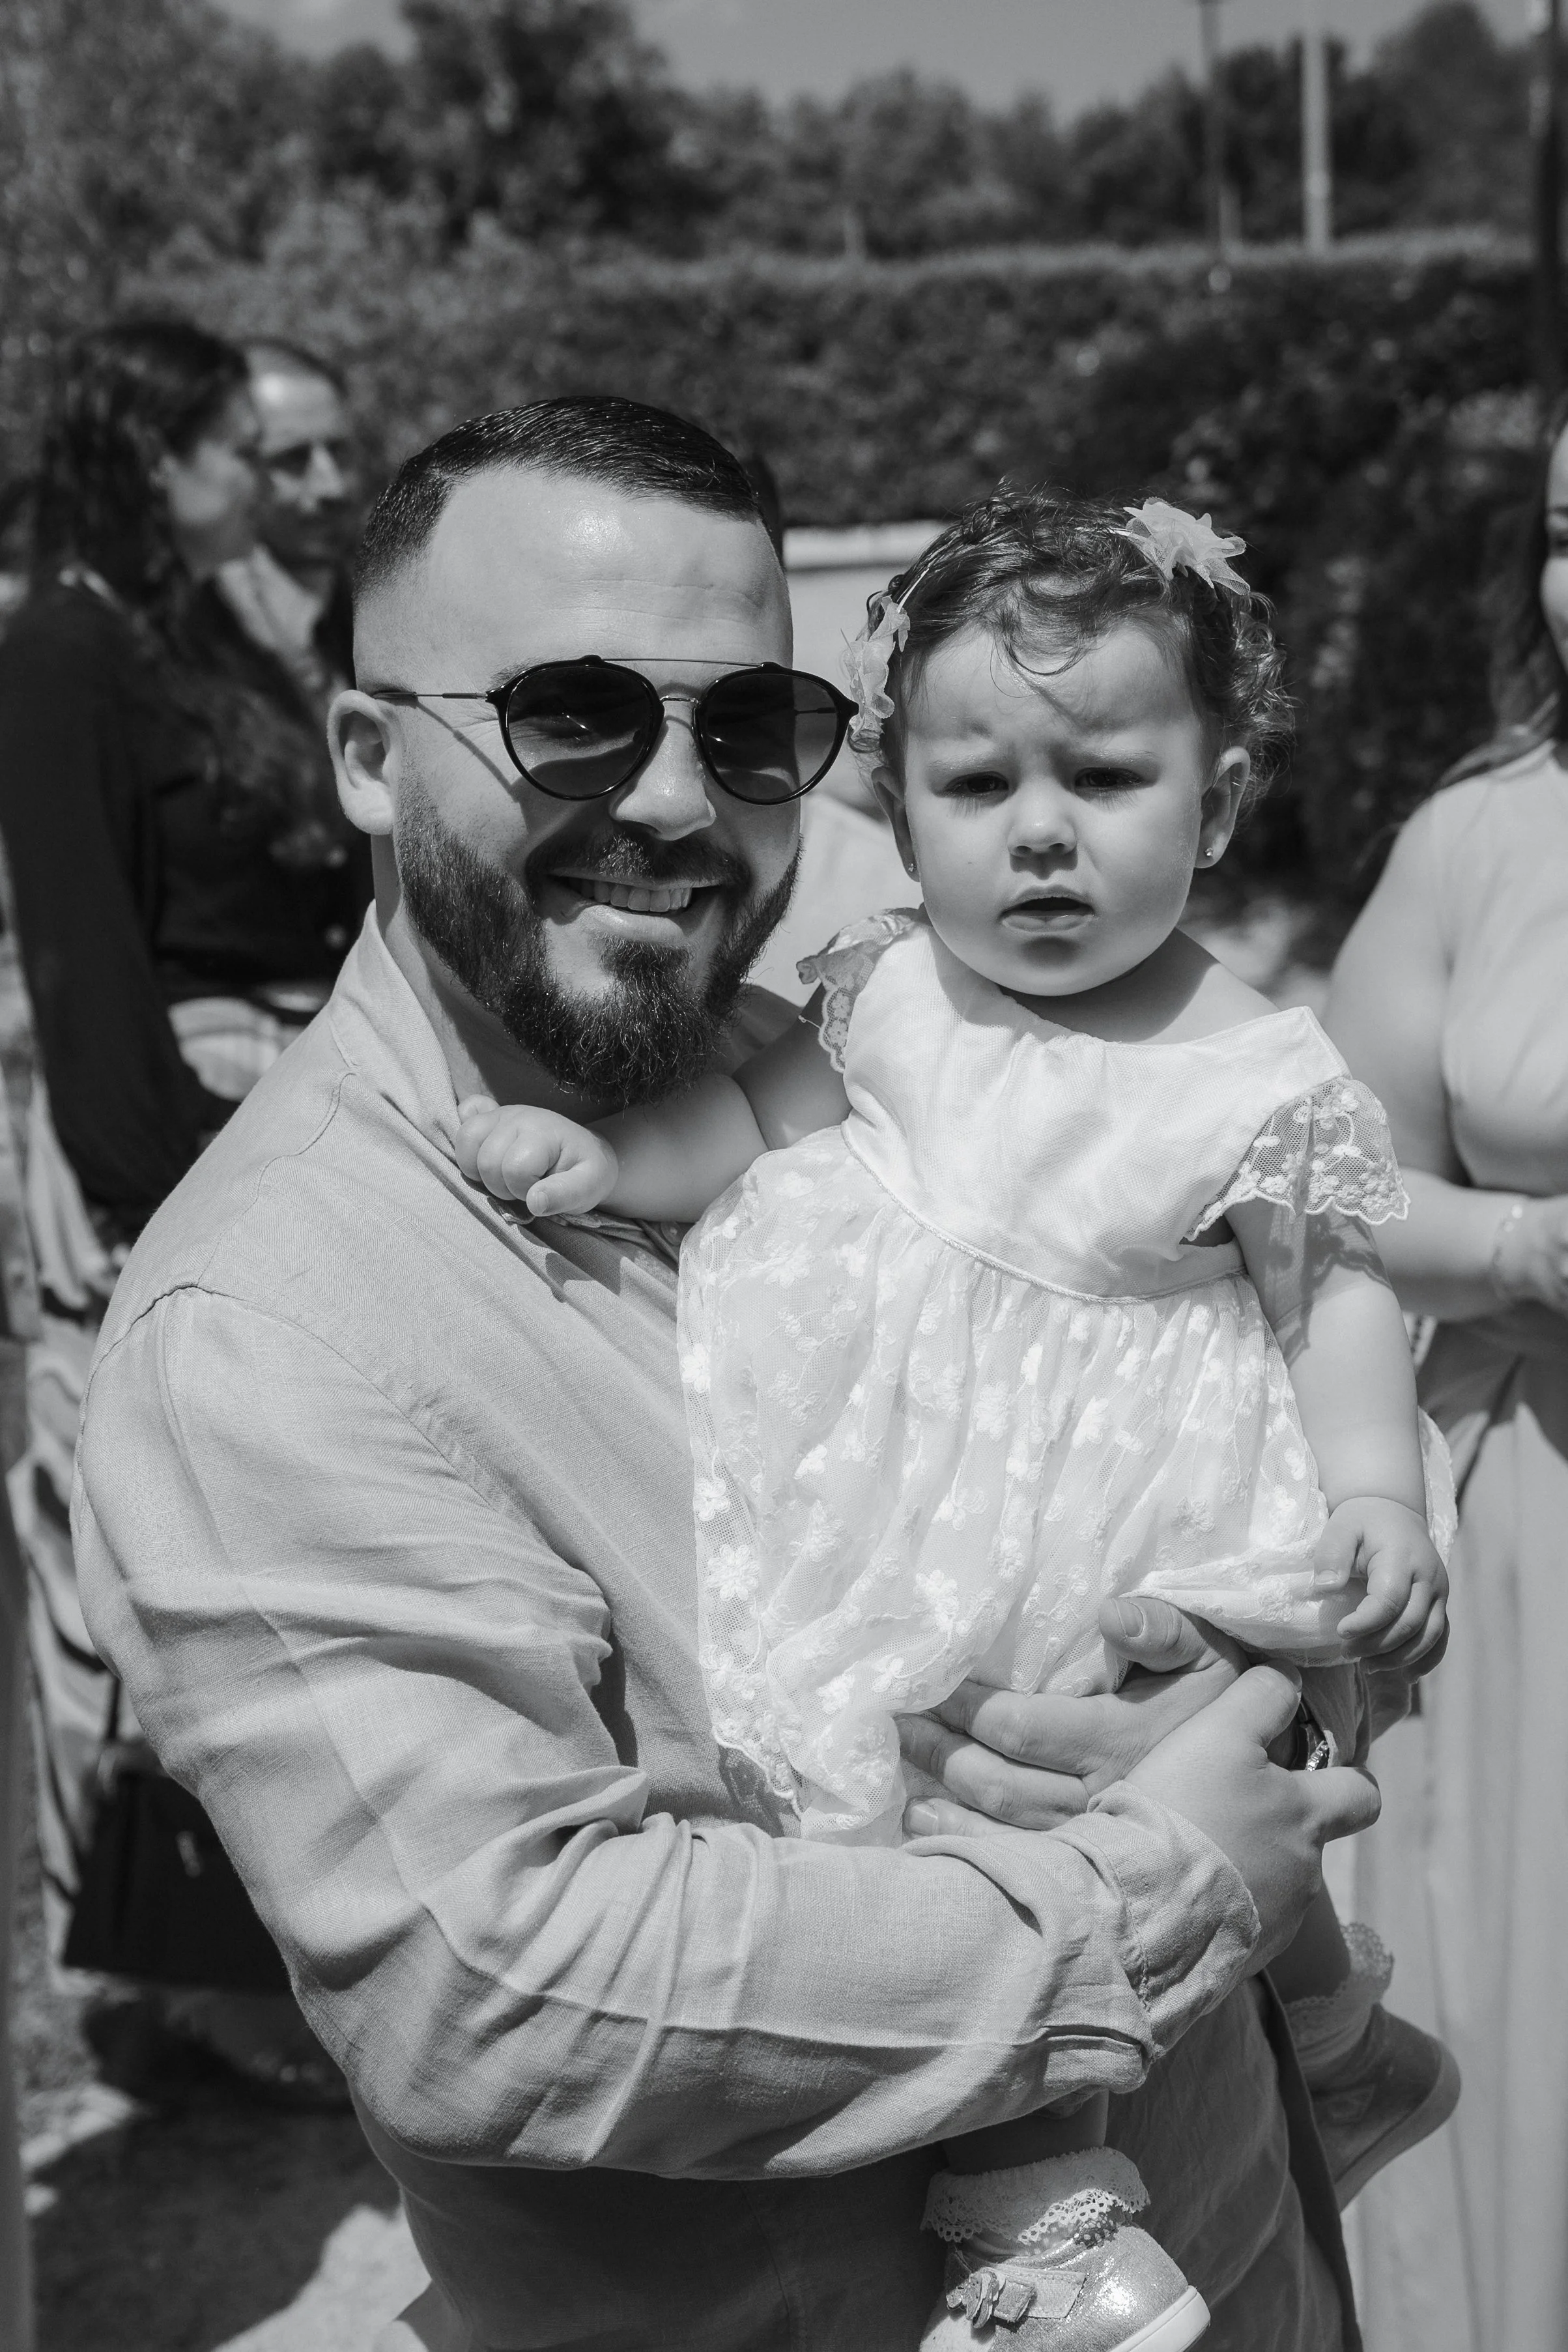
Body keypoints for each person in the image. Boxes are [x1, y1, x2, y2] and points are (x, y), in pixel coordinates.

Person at [75, 396, 1383, 2352]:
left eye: (750, 726)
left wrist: (1254, 1689)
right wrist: (1158, 1873)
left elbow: (1269, 1435)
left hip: (1237, 2223)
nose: (682, 801)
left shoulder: (877, 1063)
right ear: (364, 753)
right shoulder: (268, 1325)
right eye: (571, 716)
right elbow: (502, 1986)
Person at [455, 486, 1457, 2349]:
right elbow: (748, 1125)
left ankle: (1043, 2223)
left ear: (1216, 798)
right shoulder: (888, 992)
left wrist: (1377, 1496)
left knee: (1082, 1803)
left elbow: (1328, 1297)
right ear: (897, 808)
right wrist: (606, 1157)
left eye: (1104, 777)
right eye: (977, 785)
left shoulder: (1252, 1064)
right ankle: (1323, 2043)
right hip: (906, 1491)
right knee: (944, 1809)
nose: (1039, 833)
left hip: (1124, 1512)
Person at [0, 317, 365, 2104]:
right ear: (155, 457)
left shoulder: (202, 630)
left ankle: (252, 1956)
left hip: (264, 1115)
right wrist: (166, 1187)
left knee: (269, 1550)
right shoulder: (62, 646)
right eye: (242, 447)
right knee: (125, 1563)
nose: (276, 478)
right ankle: (159, 1983)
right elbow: (81, 954)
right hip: (156, 1138)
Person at [1323, 399, 1568, 2352]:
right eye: (1565, 531)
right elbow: (1319, 1182)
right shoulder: (1473, 839)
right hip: (1531, 1539)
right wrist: (1519, 1248)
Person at [214, 337, 360, 712]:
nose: (332, 486)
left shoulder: (375, 618)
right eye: (293, 459)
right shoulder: (201, 641)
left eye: (339, 452)